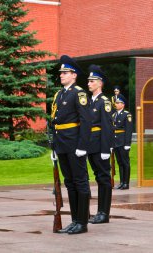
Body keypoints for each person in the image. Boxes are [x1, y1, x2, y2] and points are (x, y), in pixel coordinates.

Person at [50, 55, 91, 234]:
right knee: (69, 182)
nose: (62, 75)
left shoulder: (79, 93)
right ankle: (74, 220)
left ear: (74, 75)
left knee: (80, 182)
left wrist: (82, 146)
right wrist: (53, 147)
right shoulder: (59, 95)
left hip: (75, 144)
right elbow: (54, 122)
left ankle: (82, 222)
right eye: (61, 73)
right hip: (62, 145)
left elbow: (86, 121)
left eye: (65, 72)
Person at [86, 64, 114, 224]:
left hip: (99, 146)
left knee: (104, 178)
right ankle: (99, 212)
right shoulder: (90, 102)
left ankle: (104, 212)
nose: (89, 83)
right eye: (88, 81)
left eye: (92, 81)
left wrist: (106, 148)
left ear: (100, 82)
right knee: (98, 177)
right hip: (91, 145)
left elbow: (107, 127)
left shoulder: (104, 102)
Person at [112, 94, 133, 190]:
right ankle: (121, 182)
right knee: (119, 163)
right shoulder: (114, 115)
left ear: (123, 104)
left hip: (123, 142)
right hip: (116, 142)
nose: (116, 104)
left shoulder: (126, 114)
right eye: (116, 103)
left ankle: (126, 183)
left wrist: (127, 144)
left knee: (125, 162)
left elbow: (128, 130)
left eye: (118, 103)